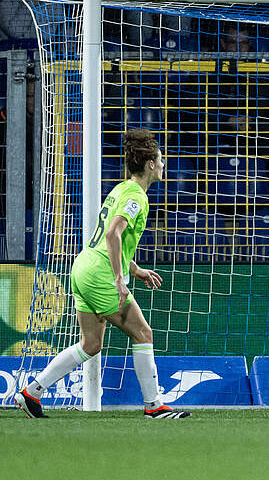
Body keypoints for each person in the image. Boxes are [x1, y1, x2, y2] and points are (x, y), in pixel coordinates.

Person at [13, 130, 189, 418]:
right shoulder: (136, 197)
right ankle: (154, 406)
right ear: (149, 165)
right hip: (100, 275)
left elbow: (110, 239)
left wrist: (136, 269)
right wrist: (120, 278)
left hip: (83, 267)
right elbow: (112, 233)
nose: (163, 164)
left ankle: (31, 393)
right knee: (143, 333)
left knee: (91, 344)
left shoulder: (121, 189)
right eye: (160, 159)